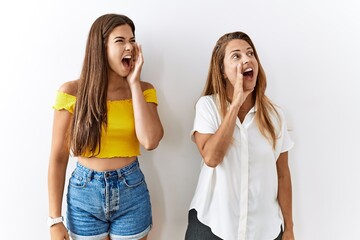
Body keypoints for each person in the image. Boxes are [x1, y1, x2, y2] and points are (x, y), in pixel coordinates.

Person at [47, 13, 164, 240]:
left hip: (131, 190)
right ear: (100, 48)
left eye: (132, 40)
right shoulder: (71, 92)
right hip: (84, 194)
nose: (129, 46)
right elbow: (58, 157)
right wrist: (54, 220)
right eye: (120, 40)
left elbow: (150, 141)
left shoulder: (143, 90)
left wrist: (134, 84)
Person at [185, 31, 295, 240]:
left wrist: (289, 228)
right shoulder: (208, 106)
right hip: (212, 226)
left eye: (250, 53)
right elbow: (211, 158)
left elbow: (283, 175)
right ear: (223, 71)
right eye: (236, 56)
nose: (246, 59)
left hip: (264, 230)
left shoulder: (275, 116)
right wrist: (235, 104)